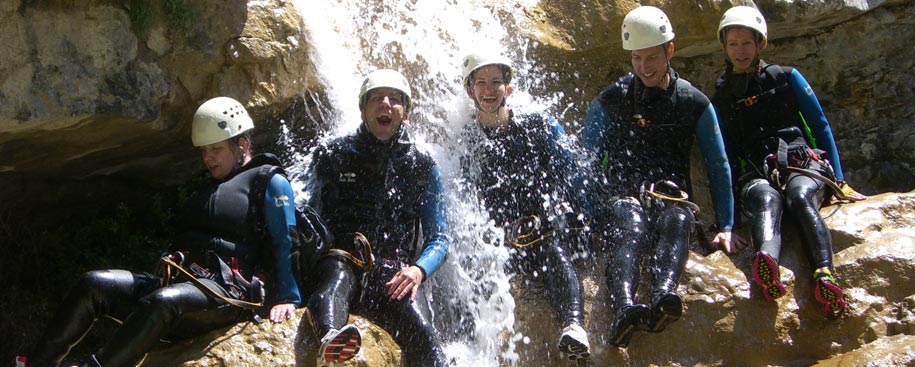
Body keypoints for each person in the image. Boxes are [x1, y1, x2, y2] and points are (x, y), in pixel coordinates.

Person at [17, 97, 301, 367]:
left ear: (241, 144)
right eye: (203, 150)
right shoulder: (209, 189)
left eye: (215, 149)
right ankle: (38, 363)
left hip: (229, 293)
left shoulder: (269, 179)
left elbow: (285, 238)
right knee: (94, 284)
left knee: (163, 302)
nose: (207, 158)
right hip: (183, 284)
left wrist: (287, 297)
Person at [581, 6, 736, 348]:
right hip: (621, 196)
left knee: (678, 221)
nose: (643, 67)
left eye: (651, 58)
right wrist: (586, 213)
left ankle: (664, 295)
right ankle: (624, 308)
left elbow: (718, 162)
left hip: (670, 196)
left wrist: (726, 225)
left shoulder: (692, 101)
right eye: (636, 58)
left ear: (669, 50)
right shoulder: (612, 100)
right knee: (632, 226)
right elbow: (587, 162)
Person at [711, 6, 867, 318]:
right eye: (733, 44)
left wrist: (839, 180)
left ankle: (824, 275)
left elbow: (820, 125)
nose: (740, 51)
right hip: (758, 172)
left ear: (760, 44)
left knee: (798, 197)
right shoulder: (723, 96)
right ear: (725, 48)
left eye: (746, 43)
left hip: (801, 164)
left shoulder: (786, 77)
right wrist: (727, 223)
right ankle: (766, 262)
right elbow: (723, 158)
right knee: (767, 199)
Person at [303, 69, 450, 366]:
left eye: (395, 100)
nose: (386, 104)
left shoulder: (421, 165)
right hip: (340, 259)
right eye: (376, 99)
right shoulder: (332, 154)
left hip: (391, 276)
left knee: (426, 340)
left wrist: (418, 271)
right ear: (362, 109)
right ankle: (331, 338)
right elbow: (306, 217)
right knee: (336, 280)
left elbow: (440, 238)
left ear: (405, 113)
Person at [457, 51, 591, 361]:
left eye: (496, 82)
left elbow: (568, 173)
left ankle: (573, 325)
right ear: (469, 90)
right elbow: (465, 199)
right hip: (499, 242)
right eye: (481, 83)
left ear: (509, 88)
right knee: (472, 273)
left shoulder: (536, 126)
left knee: (555, 252)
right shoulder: (467, 140)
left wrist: (575, 219)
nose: (489, 90)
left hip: (540, 229)